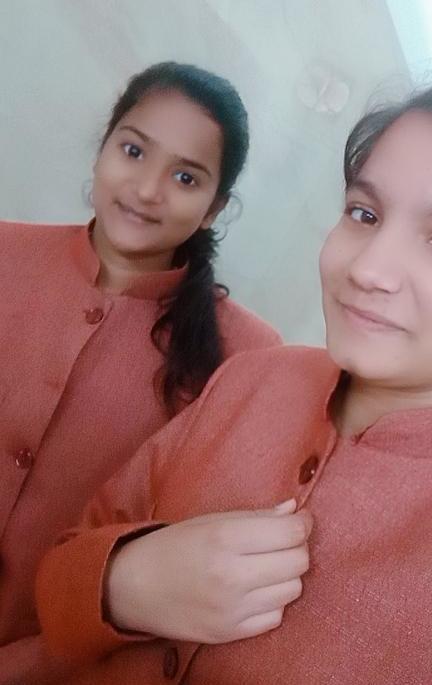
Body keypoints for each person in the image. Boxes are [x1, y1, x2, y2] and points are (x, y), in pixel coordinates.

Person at [37, 79, 432, 684]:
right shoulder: (253, 378)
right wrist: (127, 582)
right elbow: (63, 567)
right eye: (364, 214)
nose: (369, 268)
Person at [0, 61, 282, 683]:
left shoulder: (245, 358)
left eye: (185, 176)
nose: (148, 189)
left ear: (213, 209)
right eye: (133, 151)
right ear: (103, 147)